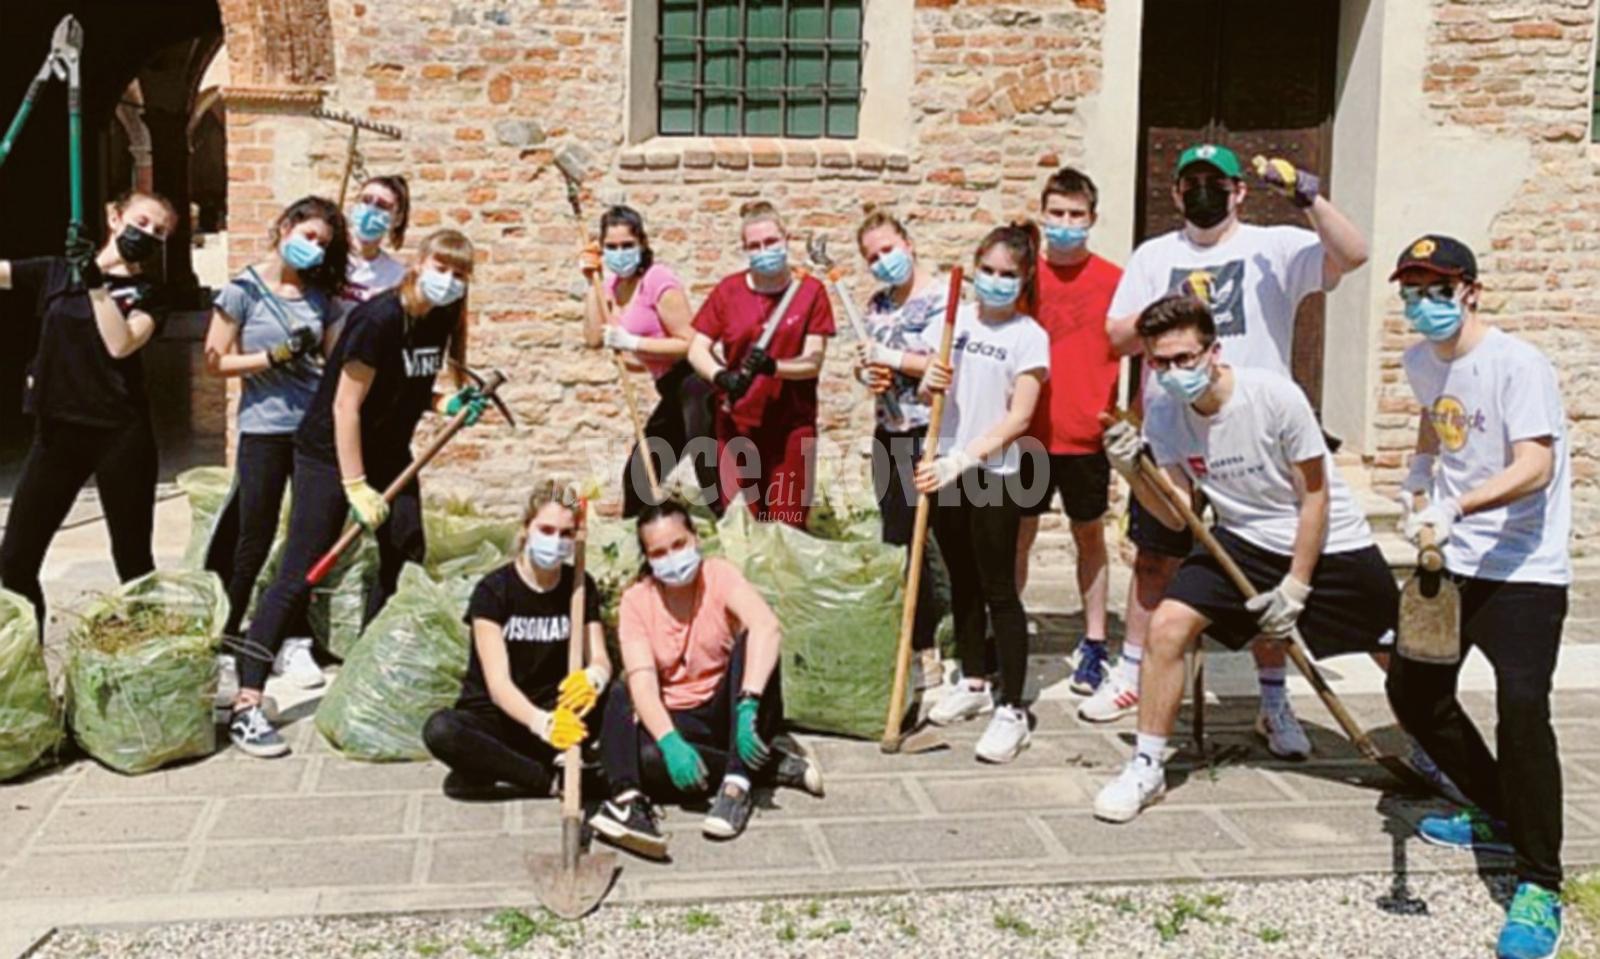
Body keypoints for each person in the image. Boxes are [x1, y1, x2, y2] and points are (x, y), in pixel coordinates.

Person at [1093, 143, 1370, 759]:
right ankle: (1133, 671)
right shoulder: (1154, 255)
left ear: (1239, 191)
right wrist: (1177, 309)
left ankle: (1273, 699)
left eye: (1216, 183)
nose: (1203, 192)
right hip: (1176, 427)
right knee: (1156, 556)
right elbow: (1116, 336)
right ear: (1175, 193)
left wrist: (1309, 197)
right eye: (1190, 182)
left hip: (1257, 434)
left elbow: (1352, 254)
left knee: (1261, 570)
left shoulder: (1273, 247)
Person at [1091, 294, 1395, 824]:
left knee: (1395, 651)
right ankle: (1147, 763)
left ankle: (1435, 750)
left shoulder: (1274, 397)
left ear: (1214, 352)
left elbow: (1315, 497)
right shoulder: (1164, 411)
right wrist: (1131, 471)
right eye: (1160, 363)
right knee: (1167, 627)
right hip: (1241, 538)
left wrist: (1296, 585)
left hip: (1330, 539)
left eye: (1184, 358)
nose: (1173, 372)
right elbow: (1177, 516)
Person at [229, 229, 489, 758]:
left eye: (460, 274)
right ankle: (246, 701)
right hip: (329, 453)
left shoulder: (440, 317)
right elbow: (344, 406)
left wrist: (448, 405)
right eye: (442, 267)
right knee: (302, 568)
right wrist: (354, 484)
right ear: (419, 263)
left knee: (405, 548)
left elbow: (408, 388)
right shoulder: (378, 319)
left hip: (389, 450)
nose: (449, 280)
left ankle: (368, 671)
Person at [1382, 235, 1571, 959]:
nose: (1423, 303)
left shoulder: (1519, 364)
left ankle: (1540, 881)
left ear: (1471, 291)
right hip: (1453, 559)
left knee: (1522, 707)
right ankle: (1496, 807)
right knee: (1413, 691)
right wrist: (1419, 474)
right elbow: (1435, 414)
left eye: (1438, 289)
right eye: (1412, 291)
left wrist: (1457, 506)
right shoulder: (1420, 360)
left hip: (1524, 565)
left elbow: (1535, 464)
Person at [590, 500, 822, 860]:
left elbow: (767, 626)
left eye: (679, 545)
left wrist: (748, 703)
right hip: (681, 716)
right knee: (639, 740)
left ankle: (737, 785)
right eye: (659, 552)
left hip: (731, 705)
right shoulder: (637, 601)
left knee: (753, 641)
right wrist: (669, 742)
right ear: (648, 558)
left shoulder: (719, 576)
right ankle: (766, 766)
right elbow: (643, 685)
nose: (672, 558)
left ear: (695, 538)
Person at [0, 190, 177, 632]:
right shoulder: (57, 272)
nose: (148, 234)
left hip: (120, 434)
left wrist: (97, 282)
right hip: (58, 431)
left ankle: (150, 652)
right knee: (16, 559)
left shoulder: (151, 293)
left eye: (159, 232)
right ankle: (30, 658)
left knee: (132, 560)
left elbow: (120, 344)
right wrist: (84, 271)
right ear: (114, 218)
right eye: (141, 222)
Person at [915, 223, 1050, 764]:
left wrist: (966, 457)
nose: (995, 281)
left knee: (998, 589)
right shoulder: (954, 322)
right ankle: (972, 681)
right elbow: (929, 392)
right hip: (946, 469)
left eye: (1007, 274)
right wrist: (927, 381)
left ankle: (1012, 708)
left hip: (993, 471)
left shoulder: (1028, 336)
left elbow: (1020, 417)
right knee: (962, 582)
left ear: (1024, 278)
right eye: (987, 271)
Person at [201, 196, 348, 689]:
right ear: (285, 227)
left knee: (307, 541)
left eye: (322, 243)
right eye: (308, 236)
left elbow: (336, 366)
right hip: (263, 427)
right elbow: (215, 361)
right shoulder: (241, 291)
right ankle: (226, 636)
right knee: (254, 535)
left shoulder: (322, 298)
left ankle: (290, 638)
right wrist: (273, 356)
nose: (314, 247)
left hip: (311, 432)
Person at [423, 480, 610, 800]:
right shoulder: (494, 591)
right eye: (546, 530)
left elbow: (600, 657)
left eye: (566, 533)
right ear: (526, 528)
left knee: (620, 696)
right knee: (442, 730)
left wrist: (593, 679)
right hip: (504, 718)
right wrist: (543, 724)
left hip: (560, 709)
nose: (555, 541)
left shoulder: (579, 586)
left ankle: (498, 767)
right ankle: (543, 779)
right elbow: (499, 685)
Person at [1013, 167, 1122, 698]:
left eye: (1075, 215)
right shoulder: (1023, 276)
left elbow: (1137, 346)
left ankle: (1095, 641)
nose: (1065, 223)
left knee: (1089, 535)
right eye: (1056, 213)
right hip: (1028, 432)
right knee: (1018, 536)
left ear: (1092, 218)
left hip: (1086, 434)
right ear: (1042, 214)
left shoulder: (1115, 280)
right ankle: (1006, 630)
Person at [687, 201, 834, 529]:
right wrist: (721, 376)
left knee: (787, 523)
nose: (764, 251)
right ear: (744, 249)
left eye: (771, 242)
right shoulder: (729, 291)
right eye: (754, 246)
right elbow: (697, 348)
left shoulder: (810, 291)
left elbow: (813, 360)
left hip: (790, 426)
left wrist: (774, 367)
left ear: (786, 239)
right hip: (737, 424)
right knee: (741, 523)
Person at [852, 208, 947, 688]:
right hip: (888, 432)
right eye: (872, 257)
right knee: (898, 538)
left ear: (908, 243)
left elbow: (940, 363)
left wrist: (888, 356)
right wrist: (867, 372)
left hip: (930, 433)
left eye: (888, 249)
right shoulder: (877, 305)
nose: (882, 261)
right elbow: (866, 359)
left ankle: (945, 643)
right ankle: (912, 640)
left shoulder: (941, 299)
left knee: (936, 540)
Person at [581, 205, 717, 516]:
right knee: (640, 476)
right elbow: (592, 338)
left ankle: (734, 530)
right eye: (612, 247)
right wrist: (591, 280)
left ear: (642, 243)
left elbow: (690, 343)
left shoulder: (657, 280)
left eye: (627, 245)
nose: (620, 253)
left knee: (708, 468)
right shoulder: (610, 287)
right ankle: (639, 539)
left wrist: (634, 343)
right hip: (669, 389)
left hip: (695, 383)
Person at [341, 175, 411, 313]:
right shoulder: (329, 254)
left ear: (398, 219)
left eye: (382, 205)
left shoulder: (396, 277)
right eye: (366, 200)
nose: (371, 208)